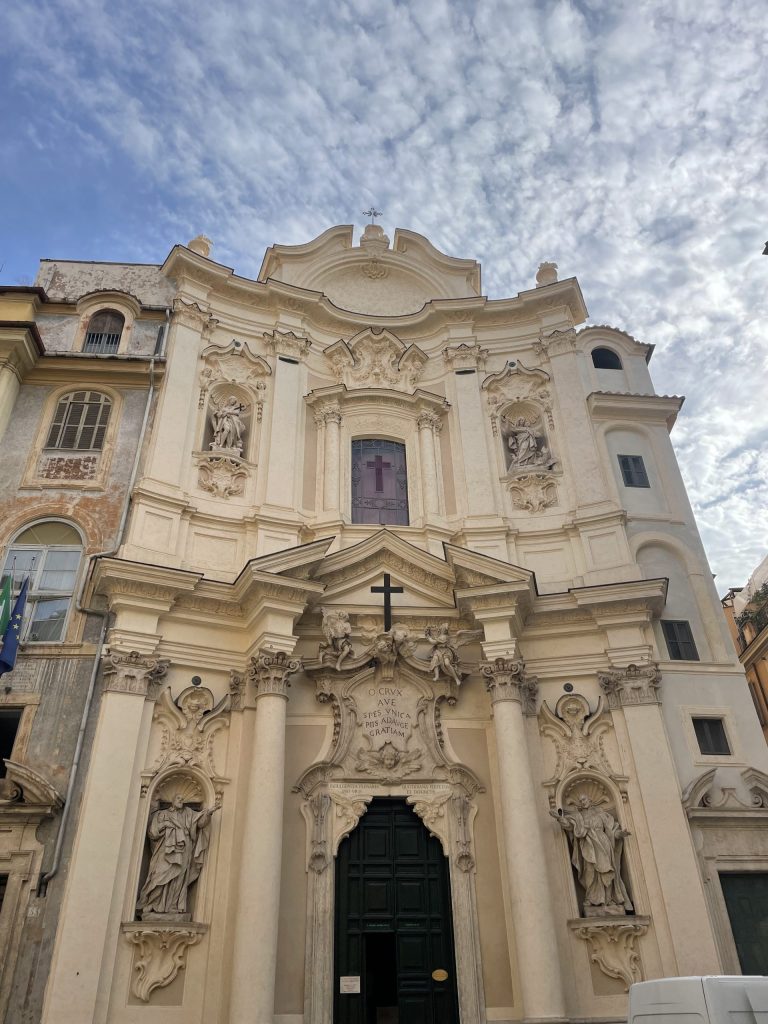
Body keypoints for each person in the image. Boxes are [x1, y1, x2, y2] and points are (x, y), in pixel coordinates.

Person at [551, 794, 633, 915]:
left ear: (590, 800)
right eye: (580, 801)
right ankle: (591, 899)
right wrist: (559, 818)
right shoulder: (578, 817)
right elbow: (569, 826)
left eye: (584, 799)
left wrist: (620, 834)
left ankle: (609, 899)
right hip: (587, 845)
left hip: (604, 844)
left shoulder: (601, 814)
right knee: (590, 872)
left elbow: (611, 831)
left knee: (606, 871)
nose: (582, 802)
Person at [137, 794, 216, 919]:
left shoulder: (188, 813)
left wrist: (208, 813)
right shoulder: (162, 814)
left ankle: (173, 907)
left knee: (179, 880)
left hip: (184, 851)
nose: (181, 801)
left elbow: (199, 822)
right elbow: (153, 832)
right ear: (172, 801)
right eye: (179, 798)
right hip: (164, 853)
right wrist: (166, 825)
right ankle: (152, 903)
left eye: (182, 799)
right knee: (159, 876)